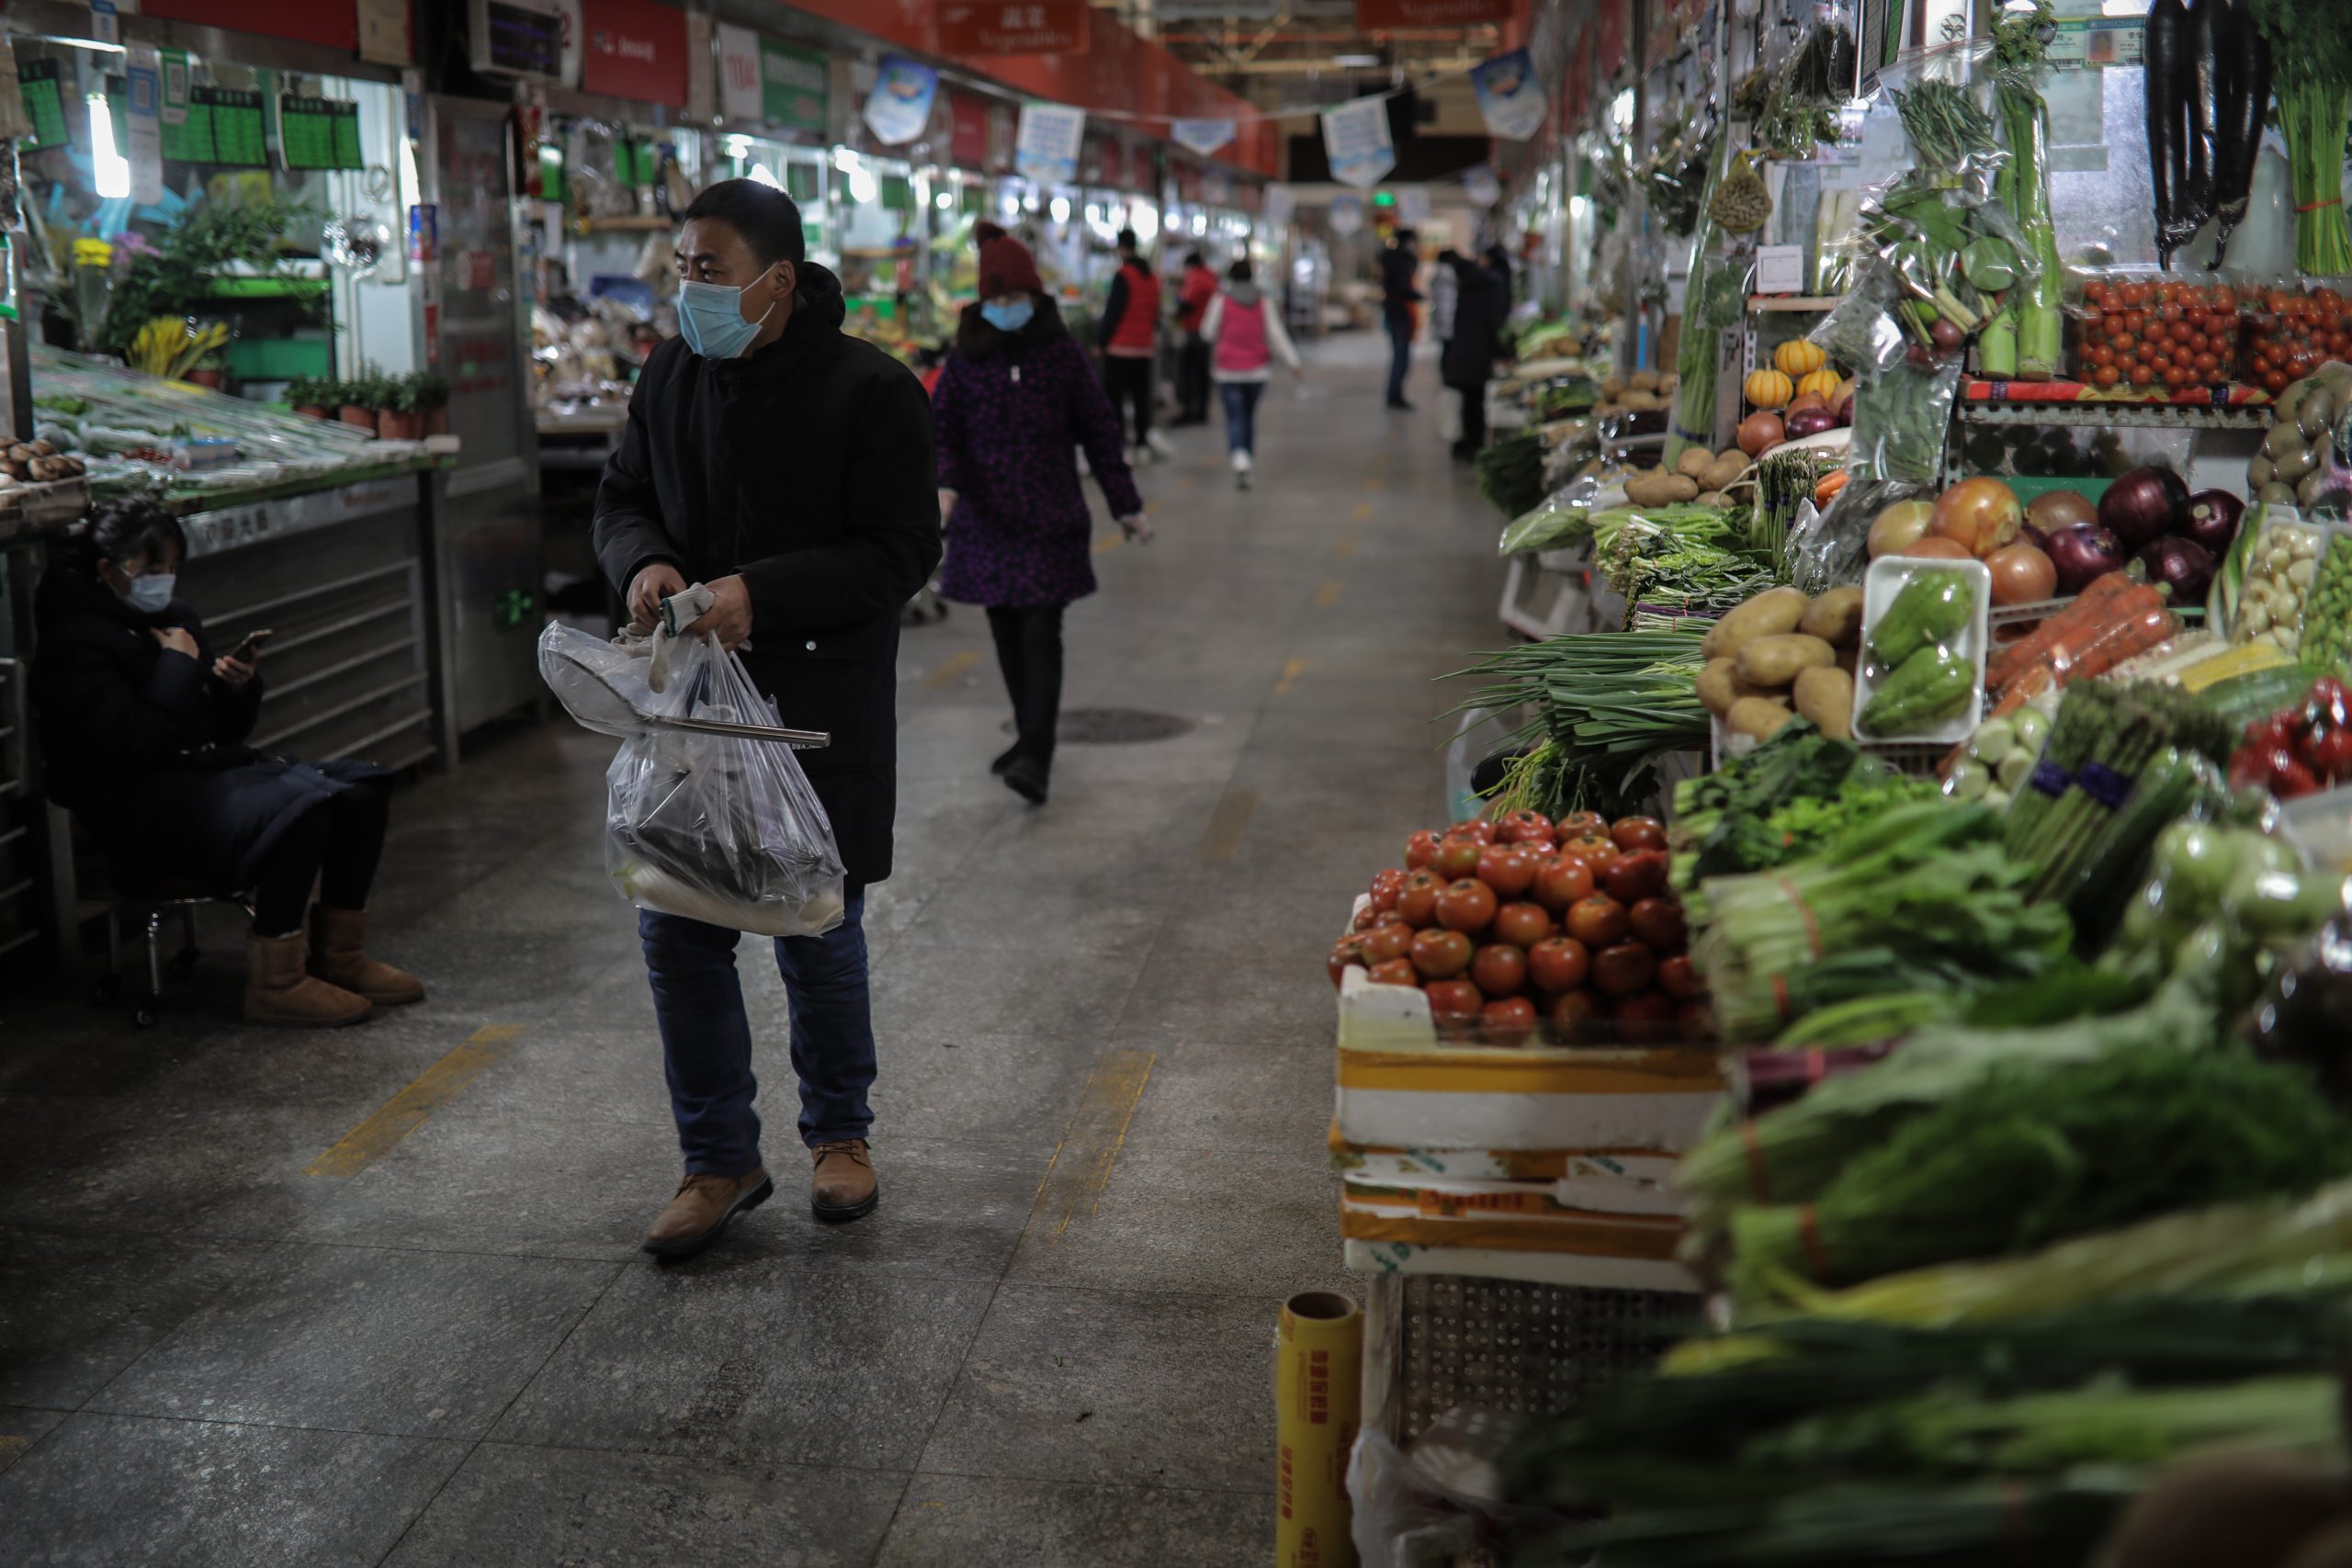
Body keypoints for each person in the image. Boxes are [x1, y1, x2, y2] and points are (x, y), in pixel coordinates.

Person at [593, 178, 941, 1260]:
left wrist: (763, 594)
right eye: (679, 269)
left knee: (816, 931)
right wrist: (644, 560)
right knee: (679, 933)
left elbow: (901, 554)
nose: (684, 290)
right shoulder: (670, 373)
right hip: (687, 720)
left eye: (707, 271)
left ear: (776, 282)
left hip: (812, 713)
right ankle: (718, 1161)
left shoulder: (871, 392)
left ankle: (842, 1138)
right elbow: (620, 496)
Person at [30, 497, 419, 1027]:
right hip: (132, 802)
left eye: (172, 568)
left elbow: (220, 727)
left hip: (198, 777)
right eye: (151, 569)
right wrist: (174, 666)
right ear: (107, 570)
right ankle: (277, 981)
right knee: (305, 808)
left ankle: (339, 957)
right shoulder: (72, 645)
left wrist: (235, 689)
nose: (165, 580)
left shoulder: (173, 620)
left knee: (362, 791)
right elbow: (130, 745)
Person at [932, 224, 1148, 804]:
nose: (1006, 309)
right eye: (996, 299)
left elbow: (1100, 431)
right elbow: (943, 431)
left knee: (1040, 632)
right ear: (982, 301)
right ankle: (1029, 734)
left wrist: (1125, 504)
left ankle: (1037, 754)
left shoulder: (1062, 355)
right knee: (1005, 630)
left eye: (1016, 298)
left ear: (1035, 296)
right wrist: (945, 485)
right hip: (987, 521)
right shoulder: (965, 360)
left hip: (1049, 517)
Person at [1201, 258, 1304, 490]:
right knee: (1247, 416)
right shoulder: (1264, 302)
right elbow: (1277, 335)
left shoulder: (1221, 301)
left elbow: (1207, 332)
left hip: (1227, 371)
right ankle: (1246, 457)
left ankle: (1239, 457)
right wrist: (1294, 363)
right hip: (1257, 372)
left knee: (1234, 416)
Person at [1098, 227, 1167, 465]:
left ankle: (1121, 446)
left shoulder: (1123, 275)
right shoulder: (1152, 276)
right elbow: (1156, 312)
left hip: (1121, 348)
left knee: (1116, 399)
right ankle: (1141, 445)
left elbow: (1113, 312)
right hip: (1144, 347)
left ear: (1121, 247)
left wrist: (1101, 342)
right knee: (1141, 399)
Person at [1442, 247, 1509, 461]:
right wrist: (1502, 351)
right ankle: (1474, 446)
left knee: (1466, 401)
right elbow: (1492, 324)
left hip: (1461, 349)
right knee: (1475, 402)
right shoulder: (1492, 287)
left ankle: (1463, 443)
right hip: (1478, 352)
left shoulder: (1467, 286)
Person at [1171, 249, 1218, 426]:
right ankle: (1201, 410)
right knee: (1201, 374)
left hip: (1195, 331)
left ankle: (1189, 411)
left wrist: (1176, 309)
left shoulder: (1197, 278)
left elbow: (1188, 304)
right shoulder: (1210, 277)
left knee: (1190, 374)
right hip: (1206, 332)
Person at [1378, 227, 1422, 410]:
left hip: (1392, 310)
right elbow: (1403, 287)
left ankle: (1394, 394)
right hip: (1402, 312)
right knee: (1401, 355)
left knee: (1399, 354)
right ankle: (1395, 396)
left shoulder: (1389, 259)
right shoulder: (1404, 260)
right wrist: (1418, 296)